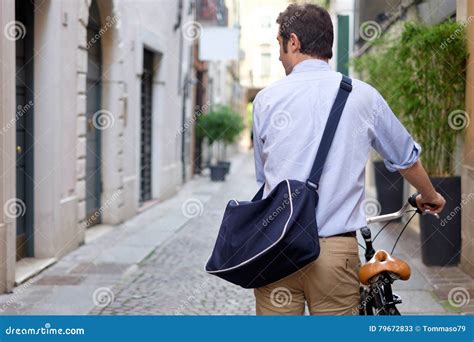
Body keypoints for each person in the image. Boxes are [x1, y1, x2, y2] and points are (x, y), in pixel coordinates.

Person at [251, 3, 446, 315]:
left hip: (277, 249)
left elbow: (264, 180)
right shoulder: (363, 95)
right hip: (335, 252)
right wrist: (430, 194)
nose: (278, 54)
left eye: (279, 44)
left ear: (294, 42)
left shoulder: (266, 101)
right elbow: (405, 157)